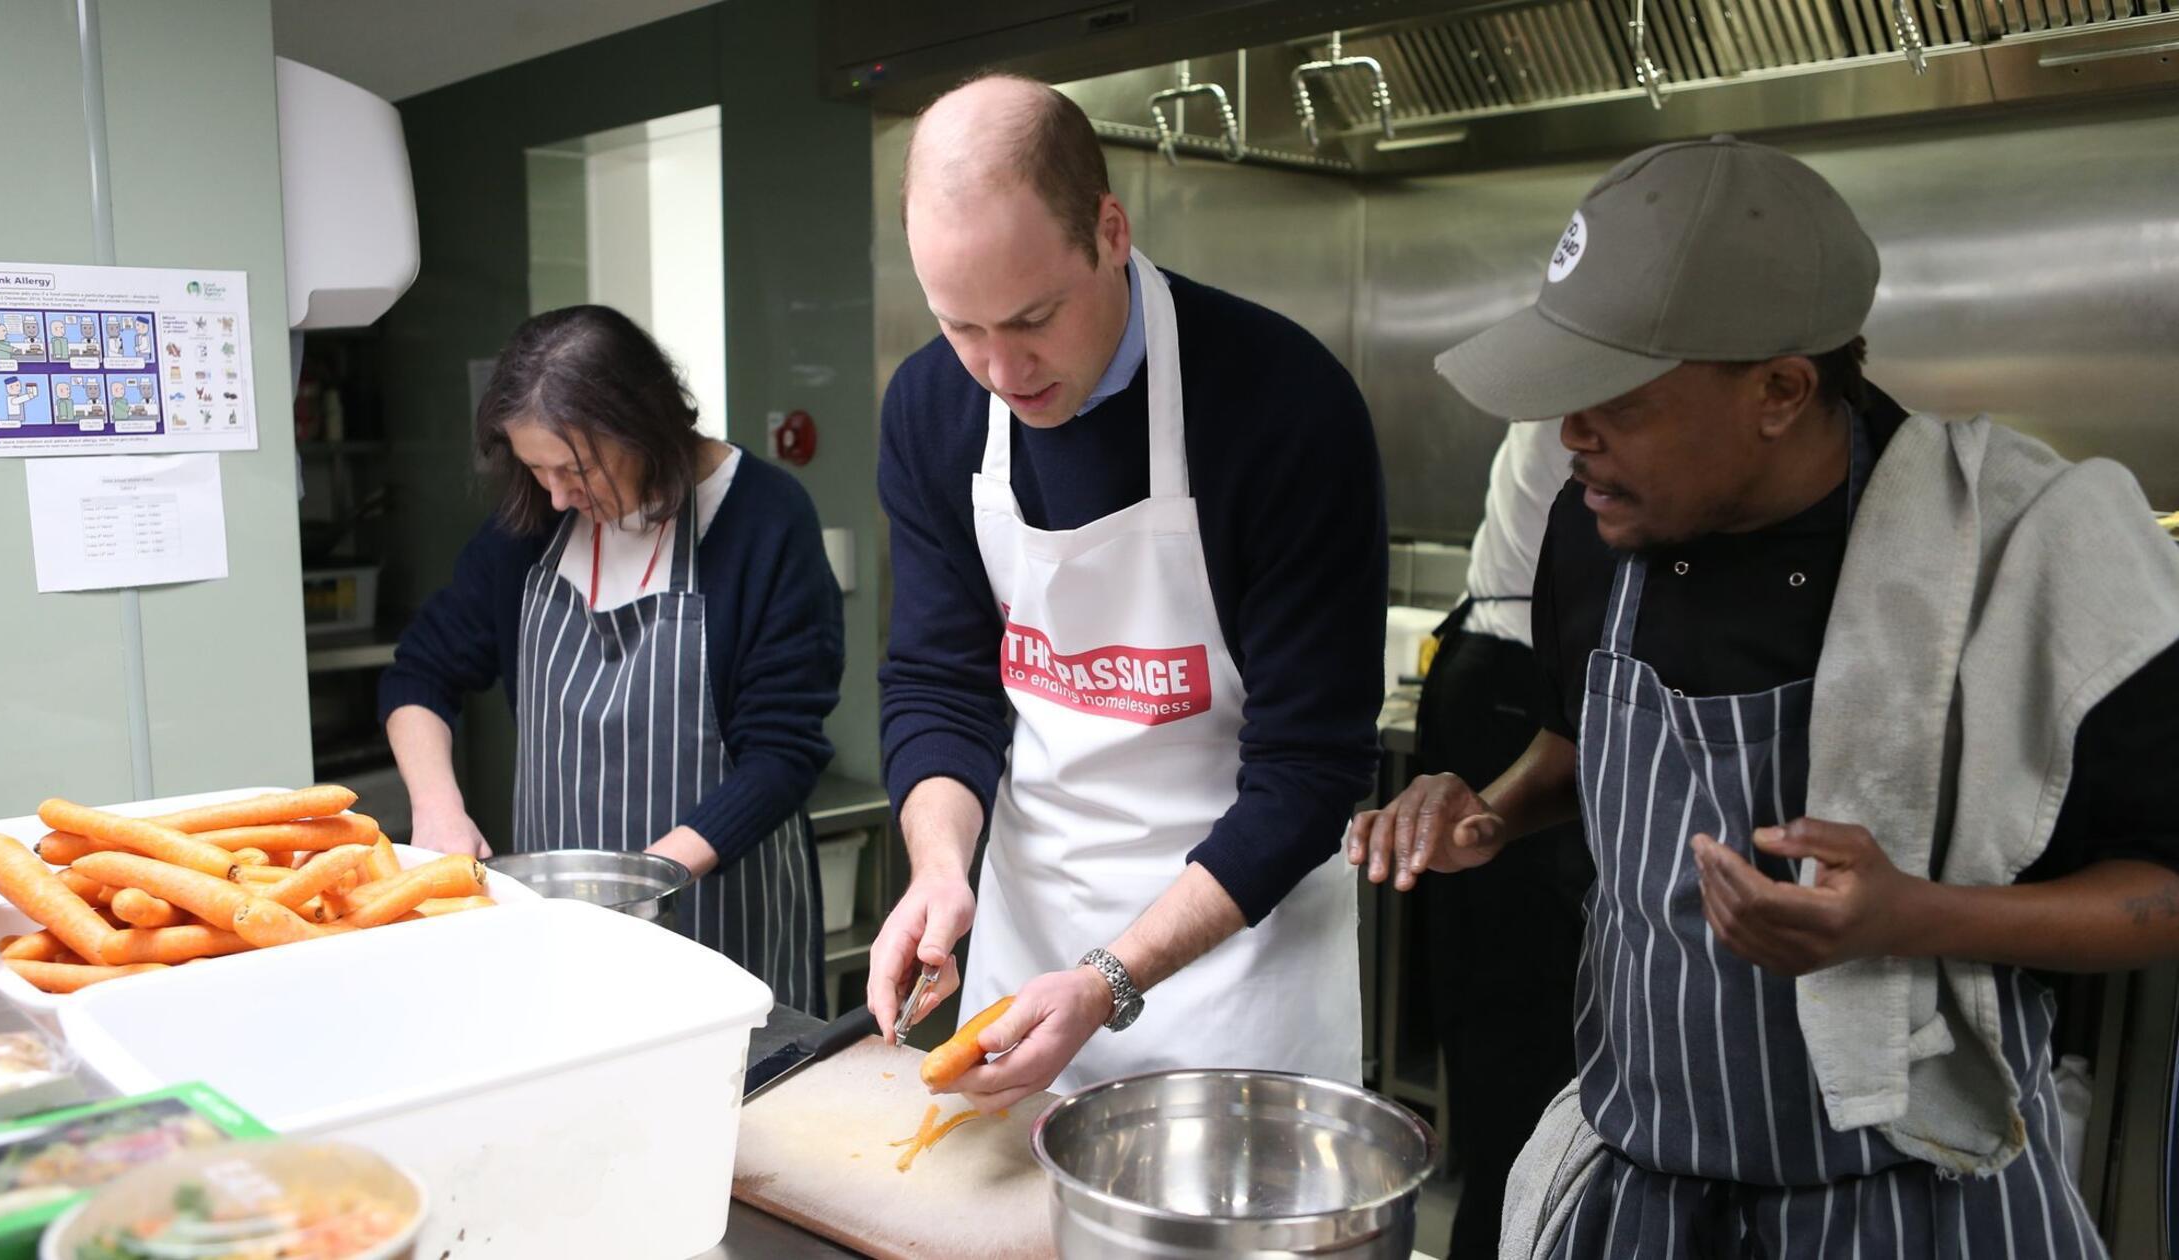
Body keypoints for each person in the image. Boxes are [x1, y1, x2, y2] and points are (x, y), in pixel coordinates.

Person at [1352, 136, 2179, 1257]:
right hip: (1642, 1186)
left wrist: (1909, 919)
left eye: (1616, 402)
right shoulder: (1595, 530)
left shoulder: (2017, 559)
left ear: (1780, 390)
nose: (1569, 438)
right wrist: (1488, 812)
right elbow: (1572, 743)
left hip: (1909, 1194)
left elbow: (2162, 894)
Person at [868, 74, 1386, 1111]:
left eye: (1032, 319)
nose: (1000, 371)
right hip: (1029, 945)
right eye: (961, 327)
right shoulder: (933, 405)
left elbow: (1308, 771)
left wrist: (1110, 981)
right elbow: (937, 682)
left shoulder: (1281, 404)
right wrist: (936, 868)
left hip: (1239, 966)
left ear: (1109, 229)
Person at [380, 305, 844, 1013]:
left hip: (723, 923)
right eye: (537, 470)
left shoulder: (763, 519)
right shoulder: (535, 524)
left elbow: (780, 755)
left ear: (643, 426)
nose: (558, 493)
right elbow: (422, 671)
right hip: (564, 929)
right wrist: (438, 810)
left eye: (574, 468)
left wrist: (638, 887)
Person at [1356, 418, 1590, 1260]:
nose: (1586, 439)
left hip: (1504, 677)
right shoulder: (1595, 410)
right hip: (1509, 683)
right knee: (1518, 1028)